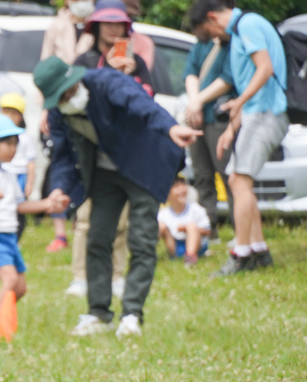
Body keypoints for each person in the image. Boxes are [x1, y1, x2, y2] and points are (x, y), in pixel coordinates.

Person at [32, 56, 201, 338]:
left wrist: (171, 128)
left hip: (145, 166)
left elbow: (143, 105)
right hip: (103, 173)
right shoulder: (59, 112)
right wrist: (60, 188)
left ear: (74, 81)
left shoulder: (107, 82)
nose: (65, 100)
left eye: (67, 92)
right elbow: (62, 156)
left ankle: (132, 314)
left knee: (142, 241)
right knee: (97, 239)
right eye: (58, 98)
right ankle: (99, 314)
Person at [189, 0, 287, 276]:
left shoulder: (249, 24)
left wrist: (238, 101)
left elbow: (265, 68)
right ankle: (259, 249)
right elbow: (250, 79)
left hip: (267, 113)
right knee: (238, 180)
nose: (214, 38)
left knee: (238, 181)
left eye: (210, 32)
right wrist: (231, 130)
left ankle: (241, 253)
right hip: (255, 113)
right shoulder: (242, 29)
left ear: (212, 17)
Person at [66, 0, 154, 300]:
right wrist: (111, 74)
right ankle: (81, 277)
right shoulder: (85, 61)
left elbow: (147, 103)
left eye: (119, 22)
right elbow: (81, 103)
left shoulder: (137, 62)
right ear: (96, 25)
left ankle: (117, 276)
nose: (113, 28)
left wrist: (129, 76)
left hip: (127, 153)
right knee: (87, 220)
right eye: (108, 22)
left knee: (123, 222)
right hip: (93, 153)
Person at [0, 114, 68, 333]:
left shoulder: (9, 175)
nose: (13, 148)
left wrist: (48, 204)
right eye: (7, 143)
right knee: (10, 279)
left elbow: (20, 207)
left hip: (9, 237)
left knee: (20, 288)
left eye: (15, 143)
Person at [38, 0, 95, 252]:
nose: (83, 4)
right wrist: (44, 109)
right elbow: (44, 65)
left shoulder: (98, 25)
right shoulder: (56, 26)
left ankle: (82, 223)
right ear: (68, 0)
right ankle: (60, 232)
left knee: (89, 162)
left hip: (87, 98)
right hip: (59, 101)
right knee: (60, 158)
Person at [183, 0, 237, 238]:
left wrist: (198, 101)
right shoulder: (202, 41)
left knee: (228, 174)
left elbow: (228, 78)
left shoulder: (231, 40)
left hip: (219, 118)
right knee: (202, 176)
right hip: (197, 118)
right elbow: (191, 72)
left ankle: (241, 228)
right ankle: (207, 229)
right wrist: (194, 101)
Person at [0, 92, 36, 241]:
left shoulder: (25, 137)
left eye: (13, 113)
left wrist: (29, 183)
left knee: (19, 209)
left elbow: (31, 162)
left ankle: (16, 238)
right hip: (3, 175)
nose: (9, 116)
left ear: (21, 116)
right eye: (5, 112)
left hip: (19, 176)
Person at [158, 176, 211, 267]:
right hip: (175, 245)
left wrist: (187, 229)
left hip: (197, 245)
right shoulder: (164, 214)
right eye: (177, 187)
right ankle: (145, 253)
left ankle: (190, 257)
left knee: (191, 225)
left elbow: (207, 231)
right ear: (168, 195)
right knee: (160, 225)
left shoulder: (196, 209)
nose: (181, 190)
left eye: (183, 185)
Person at [108, 0, 156, 71]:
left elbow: (143, 75)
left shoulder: (144, 43)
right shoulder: (99, 39)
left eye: (129, 16)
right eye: (119, 17)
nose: (125, 21)